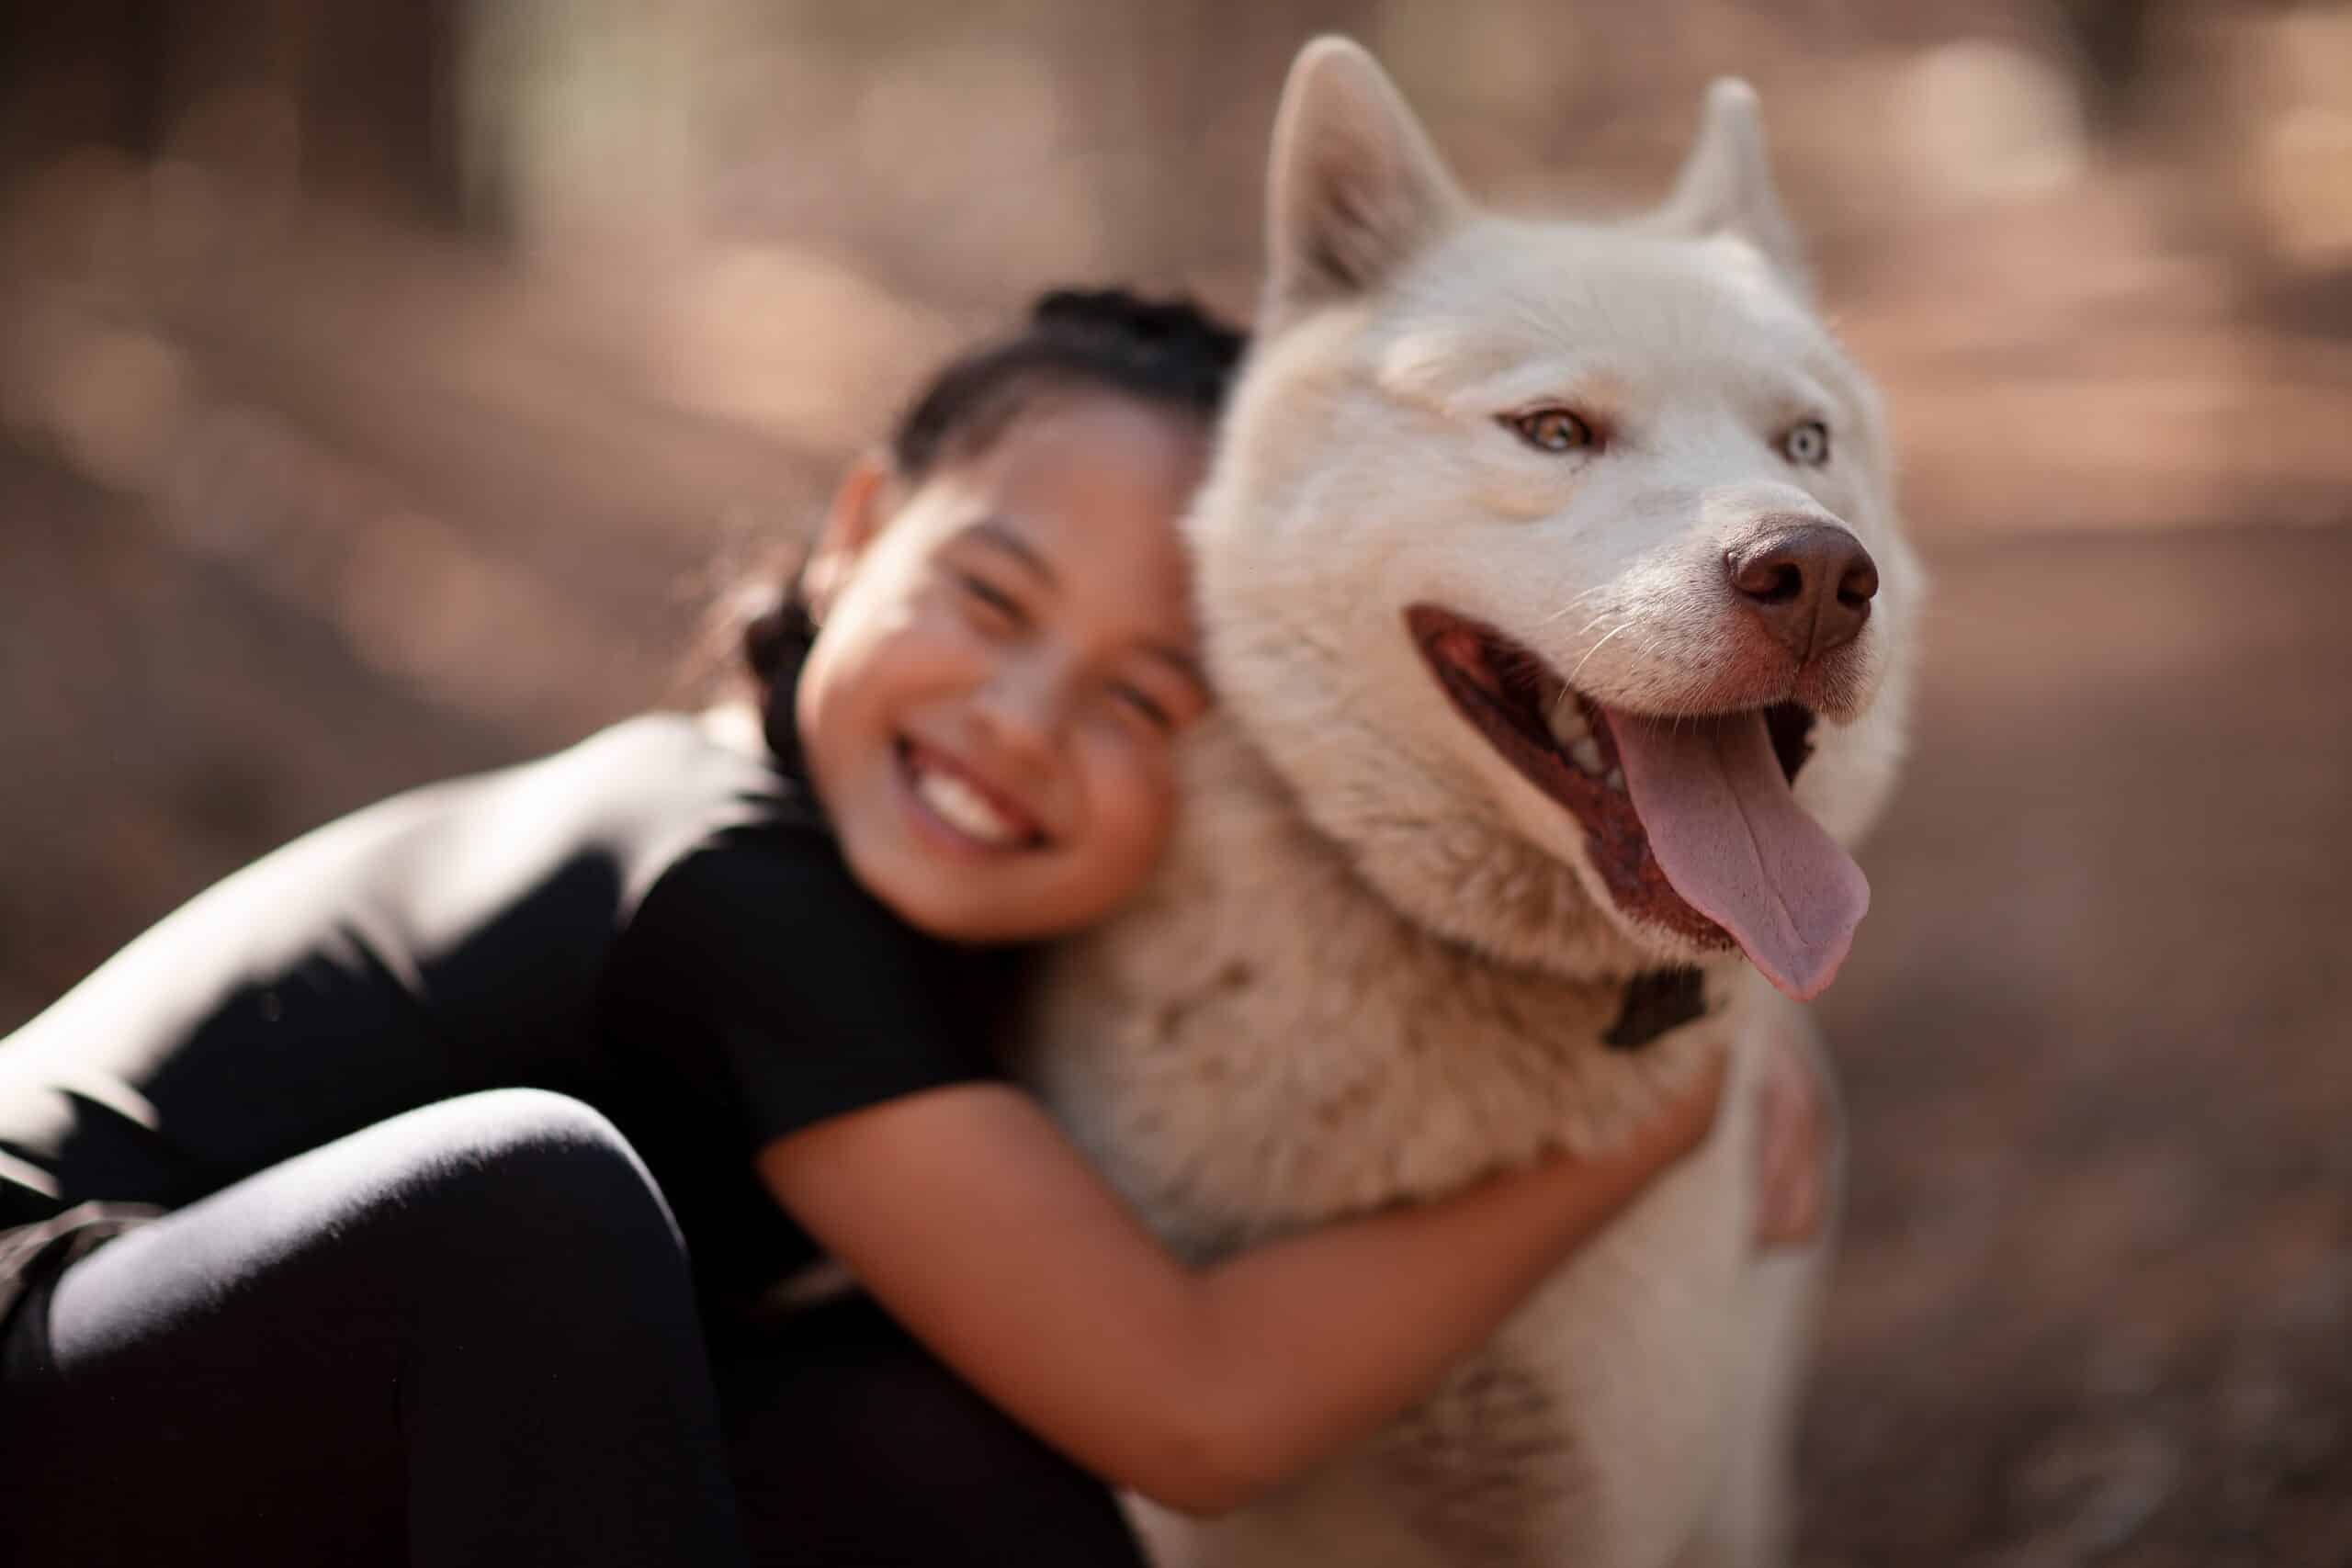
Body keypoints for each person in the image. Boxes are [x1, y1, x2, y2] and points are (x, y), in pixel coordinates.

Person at [0, 289, 1788, 1567]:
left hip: (221, 1437)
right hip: (52, 1357)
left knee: (920, 1418)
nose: (1018, 717)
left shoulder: (916, 922)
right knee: (527, 1200)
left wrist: (1656, 1017)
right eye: (986, 596)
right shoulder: (724, 876)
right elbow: (1194, 1404)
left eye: (1143, 702)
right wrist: (1640, 1121)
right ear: (857, 530)